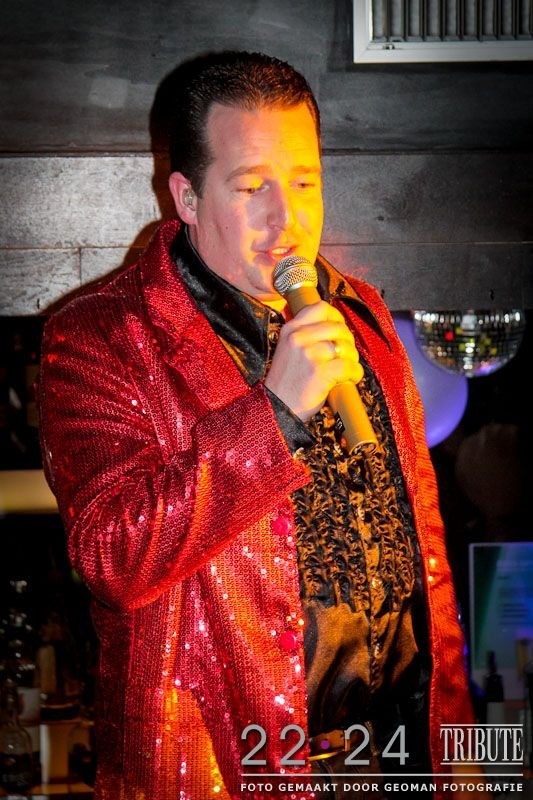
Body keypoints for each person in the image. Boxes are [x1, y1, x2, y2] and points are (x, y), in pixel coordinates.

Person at [38, 51, 479, 800]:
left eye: (305, 183)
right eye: (252, 188)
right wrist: (272, 417)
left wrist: (460, 748)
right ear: (186, 196)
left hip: (404, 756)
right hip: (231, 766)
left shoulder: (359, 309)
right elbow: (112, 556)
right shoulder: (101, 335)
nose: (289, 220)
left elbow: (421, 559)